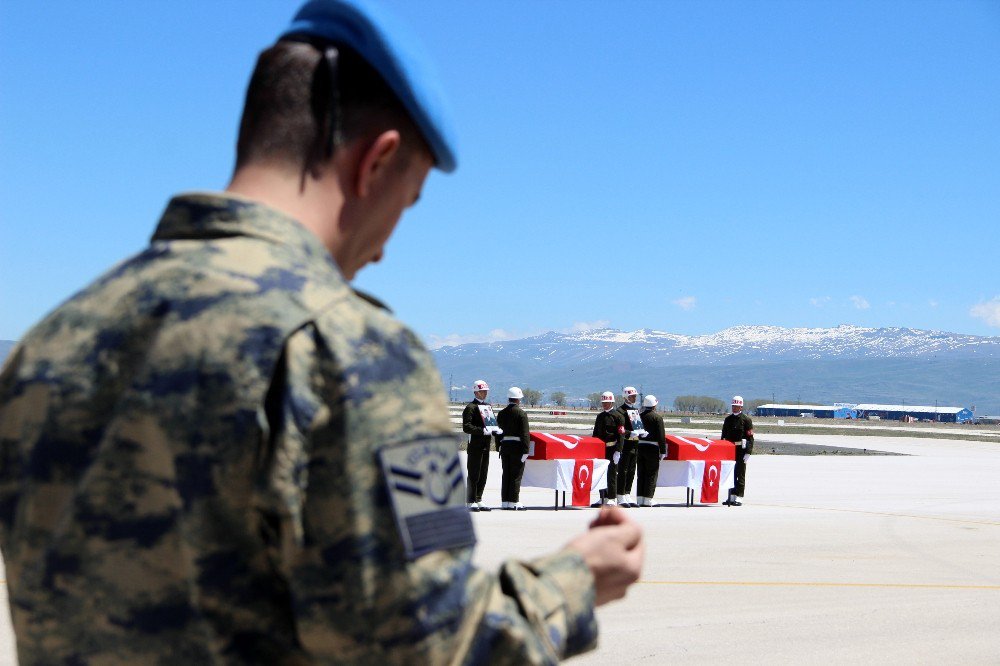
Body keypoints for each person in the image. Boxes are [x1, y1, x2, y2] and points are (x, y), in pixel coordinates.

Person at [0, 1, 644, 662]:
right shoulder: (347, 351)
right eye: (408, 199)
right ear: (377, 161)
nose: (385, 249)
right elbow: (427, 648)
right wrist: (574, 581)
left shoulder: (50, 342)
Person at [461, 379, 498, 511]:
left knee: (483, 473)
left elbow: (491, 422)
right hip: (475, 445)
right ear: (476, 392)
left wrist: (496, 429)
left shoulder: (487, 406)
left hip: (486, 445)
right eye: (482, 391)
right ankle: (470, 500)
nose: (485, 393)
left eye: (486, 391)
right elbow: (466, 427)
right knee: (474, 473)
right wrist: (481, 430)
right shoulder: (470, 407)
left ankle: (478, 497)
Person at [496, 386, 530, 510]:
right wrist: (526, 450)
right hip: (517, 449)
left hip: (505, 448)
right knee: (516, 475)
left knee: (506, 475)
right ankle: (514, 501)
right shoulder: (521, 413)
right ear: (518, 400)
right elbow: (525, 434)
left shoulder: (501, 413)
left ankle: (505, 501)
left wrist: (499, 446)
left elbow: (497, 432)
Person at [592, 391, 625, 507]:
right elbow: (595, 434)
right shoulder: (599, 417)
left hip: (612, 449)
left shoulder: (618, 416)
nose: (604, 404)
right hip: (601, 449)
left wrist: (618, 451)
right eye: (603, 402)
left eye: (607, 402)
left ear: (612, 402)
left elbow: (621, 435)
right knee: (601, 474)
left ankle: (612, 497)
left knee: (611, 474)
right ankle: (603, 497)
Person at [615, 386, 646, 507]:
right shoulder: (620, 412)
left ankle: (627, 493)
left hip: (634, 444)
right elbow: (620, 429)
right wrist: (629, 433)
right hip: (625, 445)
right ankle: (620, 495)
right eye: (632, 396)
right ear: (626, 397)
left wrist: (642, 432)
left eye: (635, 396)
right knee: (623, 470)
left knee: (632, 471)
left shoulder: (634, 411)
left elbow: (637, 427)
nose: (634, 398)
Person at [722, 395, 755, 506]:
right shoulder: (728, 419)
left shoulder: (746, 420)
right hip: (730, 450)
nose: (734, 408)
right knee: (730, 473)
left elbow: (750, 438)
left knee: (740, 473)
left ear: (741, 407)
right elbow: (723, 436)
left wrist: (748, 452)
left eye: (736, 406)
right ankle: (731, 496)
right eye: (733, 406)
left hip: (741, 450)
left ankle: (739, 496)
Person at [636, 395, 667, 507]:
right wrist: (663, 451)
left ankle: (639, 498)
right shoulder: (657, 418)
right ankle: (648, 498)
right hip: (652, 448)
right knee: (651, 473)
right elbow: (661, 436)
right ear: (654, 405)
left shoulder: (638, 416)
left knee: (641, 473)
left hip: (639, 447)